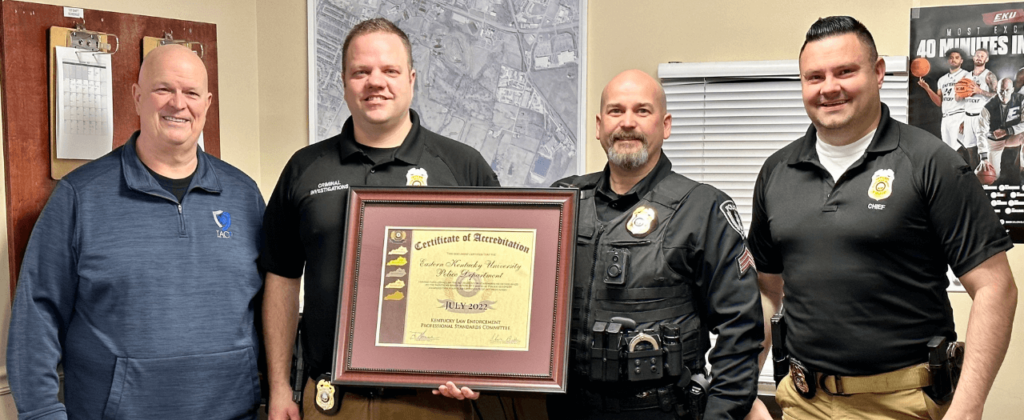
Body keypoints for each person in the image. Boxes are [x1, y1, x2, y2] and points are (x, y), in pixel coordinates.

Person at [438, 69, 765, 419]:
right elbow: (510, 301)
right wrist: (474, 368)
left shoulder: (703, 209)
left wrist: (721, 415)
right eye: (615, 111)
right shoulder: (561, 203)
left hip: (665, 409)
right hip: (567, 409)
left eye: (642, 111)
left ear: (665, 125)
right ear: (598, 126)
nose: (627, 122)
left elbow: (740, 331)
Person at [746, 16, 1017, 420]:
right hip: (802, 402)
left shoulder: (931, 162)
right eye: (814, 76)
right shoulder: (777, 171)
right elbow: (768, 293)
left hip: (903, 403)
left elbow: (995, 288)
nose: (829, 87)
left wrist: (967, 410)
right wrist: (742, 386)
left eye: (845, 71)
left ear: (877, 73)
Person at [7, 44, 266, 419]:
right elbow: (37, 313)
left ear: (207, 103)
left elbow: (269, 305)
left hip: (233, 412)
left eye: (191, 92)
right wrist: (41, 413)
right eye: (164, 89)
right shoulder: (81, 196)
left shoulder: (244, 195)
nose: (178, 104)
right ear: (137, 96)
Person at [261, 17, 501, 420]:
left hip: (432, 401)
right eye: (361, 72)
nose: (376, 82)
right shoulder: (305, 168)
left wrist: (479, 367)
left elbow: (498, 280)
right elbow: (282, 279)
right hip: (331, 400)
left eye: (389, 70)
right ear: (343, 81)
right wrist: (280, 387)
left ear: (411, 78)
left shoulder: (463, 167)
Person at [918, 49, 970, 155]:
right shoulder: (942, 80)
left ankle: (967, 171)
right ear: (947, 61)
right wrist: (927, 88)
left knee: (962, 149)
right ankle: (953, 171)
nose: (953, 60)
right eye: (951, 58)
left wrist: (966, 120)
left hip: (959, 115)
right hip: (946, 118)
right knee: (949, 151)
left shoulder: (966, 75)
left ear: (961, 61)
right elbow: (939, 102)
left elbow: (971, 100)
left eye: (957, 58)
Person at [977, 78, 1024, 185]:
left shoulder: (1021, 100)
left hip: (1012, 136)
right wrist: (983, 157)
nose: (1004, 93)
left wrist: (1008, 131)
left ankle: (1023, 169)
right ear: (996, 90)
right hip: (994, 141)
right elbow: (980, 133)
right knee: (992, 176)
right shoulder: (988, 107)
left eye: (1007, 90)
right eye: (1001, 90)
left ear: (1012, 89)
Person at [959, 49, 998, 169]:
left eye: (982, 56)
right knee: (970, 149)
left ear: (986, 59)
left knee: (984, 150)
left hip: (981, 117)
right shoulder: (966, 76)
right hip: (968, 116)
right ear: (973, 58)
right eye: (977, 55)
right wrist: (963, 120)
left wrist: (980, 91)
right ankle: (976, 178)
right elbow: (963, 100)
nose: (979, 58)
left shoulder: (989, 75)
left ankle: (987, 177)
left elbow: (998, 96)